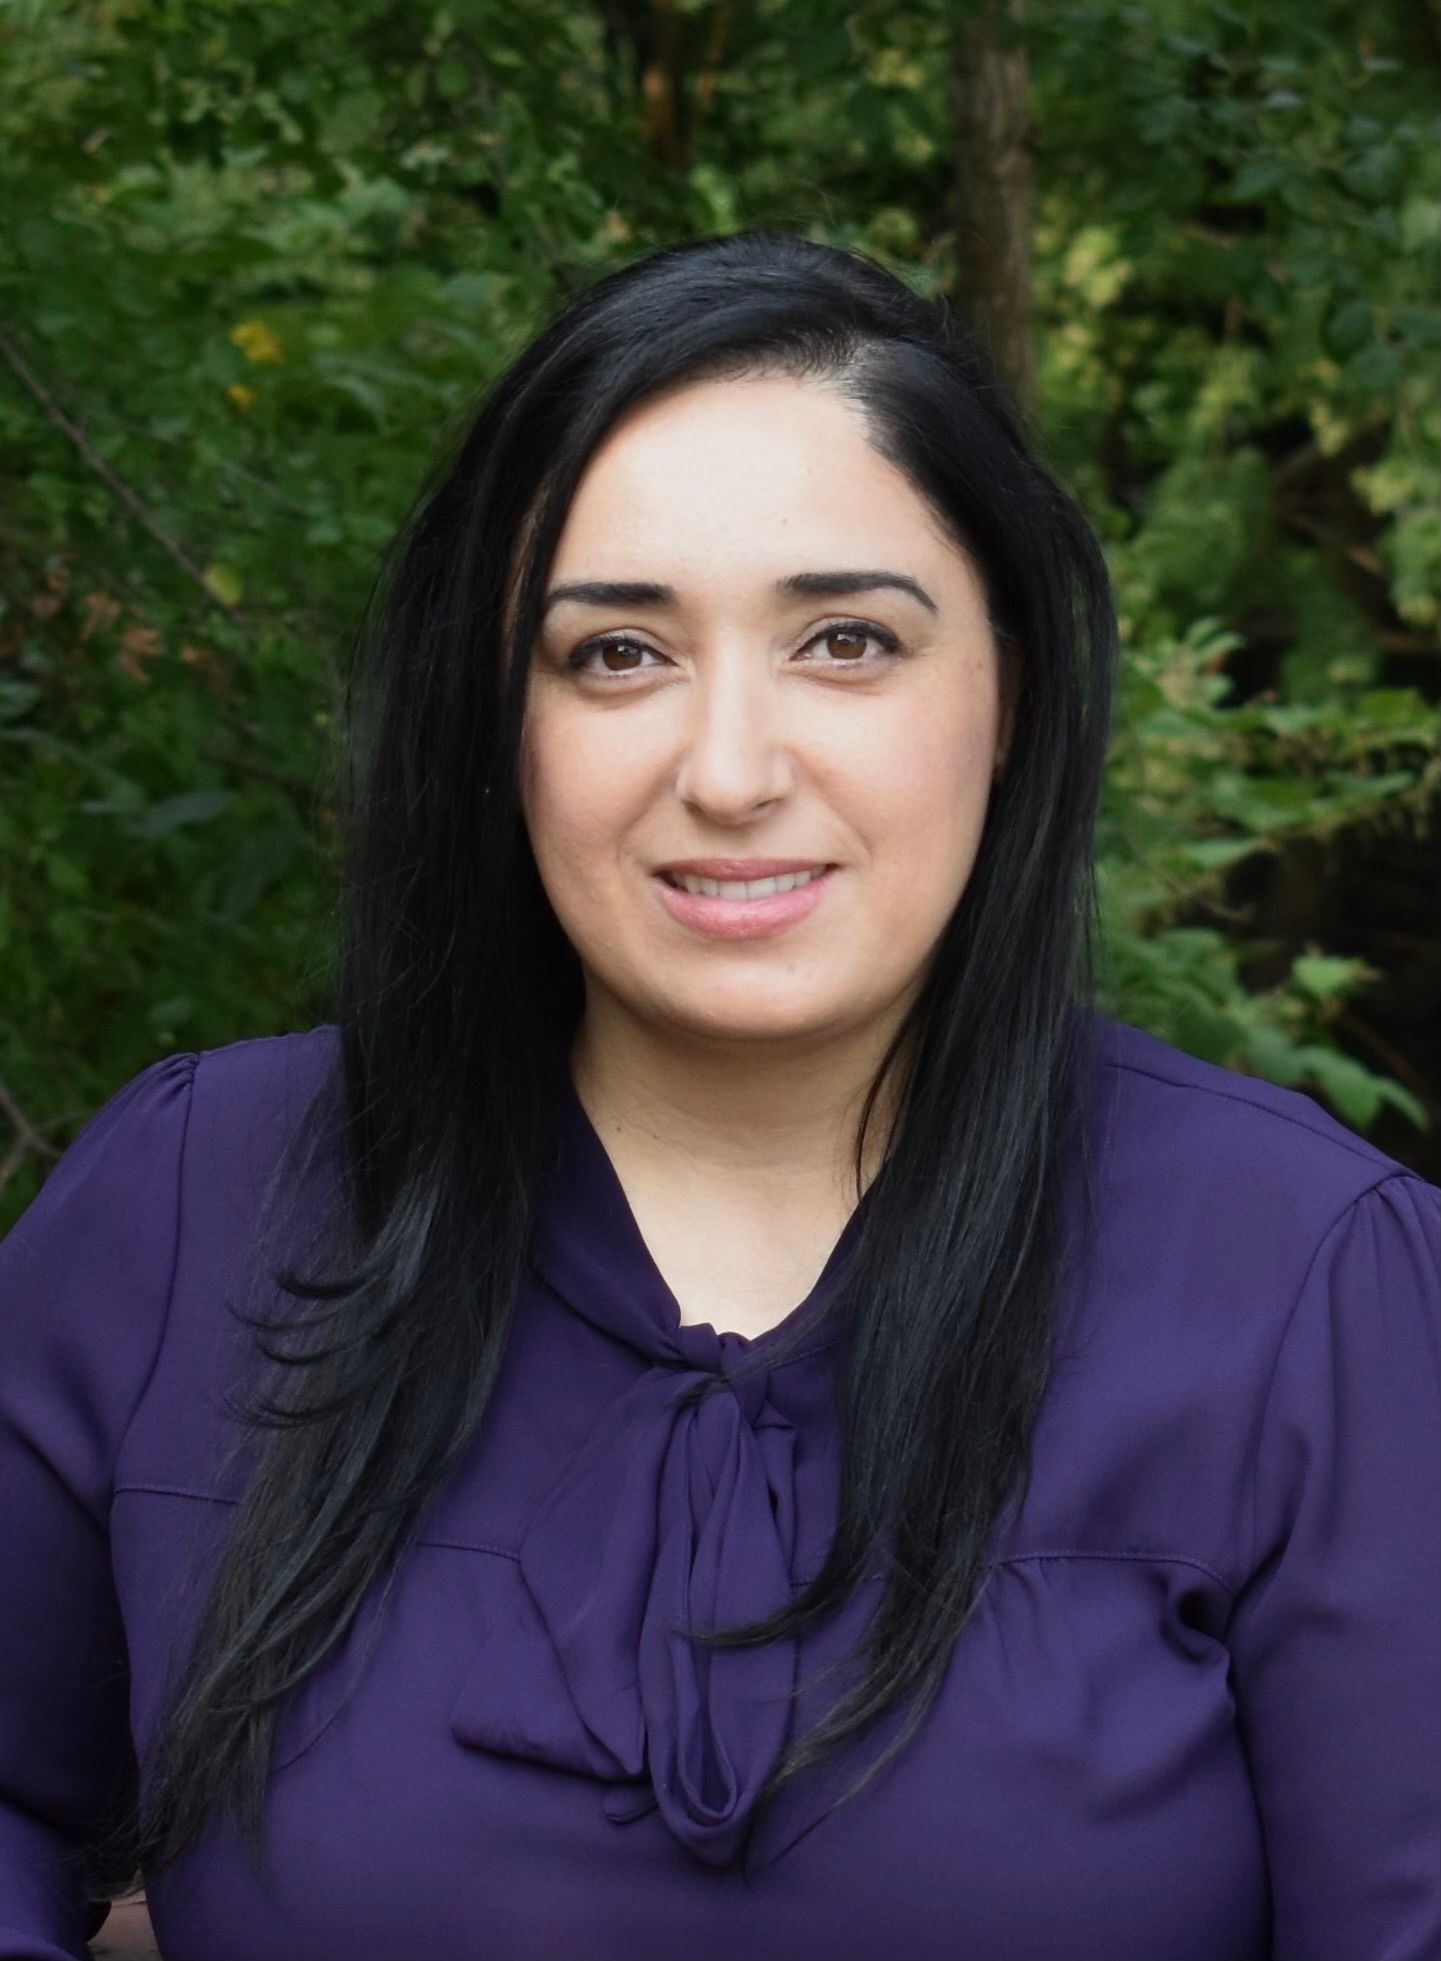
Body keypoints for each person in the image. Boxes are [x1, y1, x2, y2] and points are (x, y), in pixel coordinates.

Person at [1, 229, 1437, 1961]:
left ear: (1011, 694)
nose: (732, 771)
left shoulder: (1312, 1281)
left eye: (844, 640)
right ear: (496, 716)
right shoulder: (190, 1202)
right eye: (615, 654)